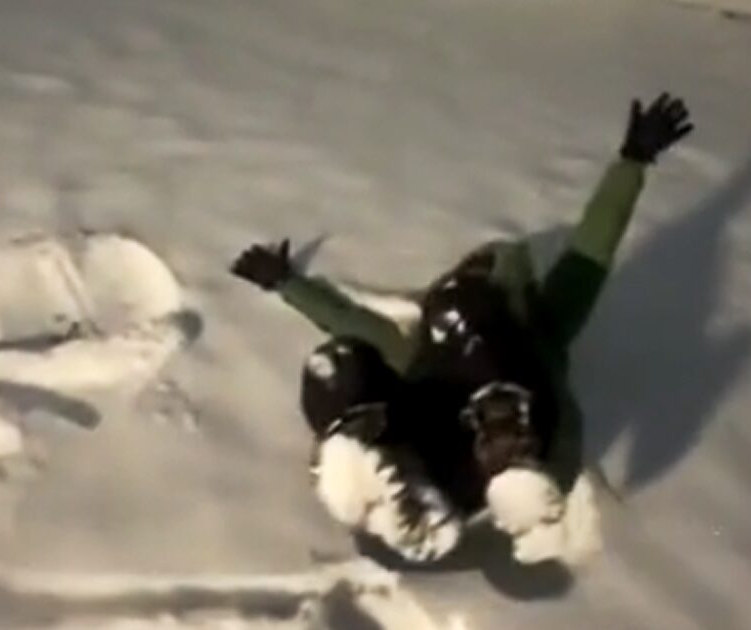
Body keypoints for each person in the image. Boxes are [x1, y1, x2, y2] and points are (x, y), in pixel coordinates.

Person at [231, 93, 694, 564]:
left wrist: (632, 162)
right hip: (453, 452)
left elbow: (591, 250)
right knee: (347, 367)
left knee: (421, 354)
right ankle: (370, 451)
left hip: (514, 437)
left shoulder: (524, 329)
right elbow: (346, 321)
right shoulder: (436, 348)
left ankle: (494, 458)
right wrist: (286, 282)